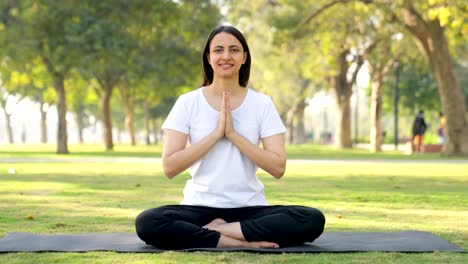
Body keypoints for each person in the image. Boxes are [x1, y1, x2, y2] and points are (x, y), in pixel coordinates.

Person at [135, 25, 325, 250]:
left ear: (244, 57)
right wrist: (216, 135)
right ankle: (241, 242)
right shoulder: (188, 102)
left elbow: (278, 167)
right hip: (199, 208)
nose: (226, 56)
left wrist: (233, 135)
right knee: (147, 222)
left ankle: (216, 232)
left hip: (249, 209)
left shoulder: (262, 104)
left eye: (234, 50)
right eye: (218, 50)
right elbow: (169, 167)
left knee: (311, 219)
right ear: (208, 57)